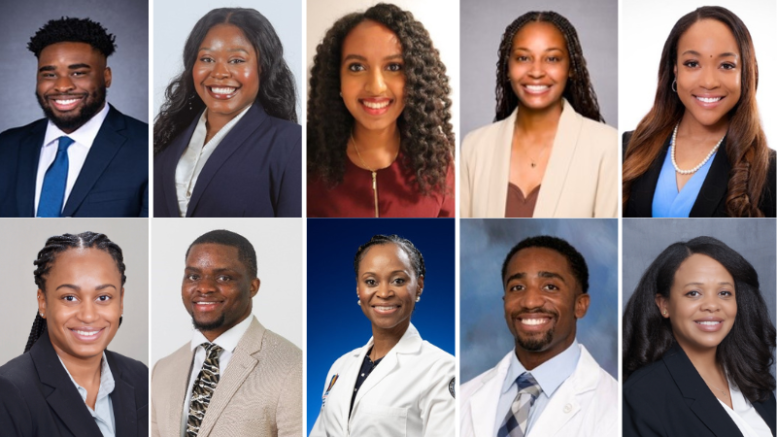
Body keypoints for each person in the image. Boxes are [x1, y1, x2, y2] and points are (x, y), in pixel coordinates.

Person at [622, 6, 776, 217]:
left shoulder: (771, 172)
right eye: (692, 63)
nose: (709, 82)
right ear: (675, 69)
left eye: (727, 65)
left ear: (746, 73)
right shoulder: (627, 148)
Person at [461, 11, 617, 218]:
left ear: (571, 68)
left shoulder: (608, 147)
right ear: (507, 67)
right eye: (523, 58)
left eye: (552, 58)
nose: (536, 71)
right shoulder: (475, 147)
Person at [307, 4, 455, 218]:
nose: (376, 87)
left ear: (415, 78)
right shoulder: (305, 162)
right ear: (336, 79)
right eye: (357, 67)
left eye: (394, 67)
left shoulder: (436, 161)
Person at [461, 236, 617, 437]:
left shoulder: (615, 408)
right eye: (517, 287)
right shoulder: (462, 397)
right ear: (504, 301)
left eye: (550, 287)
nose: (530, 302)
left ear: (580, 305)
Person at [151, 230, 301, 436]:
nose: (204, 287)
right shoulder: (162, 370)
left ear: (253, 287)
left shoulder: (293, 366)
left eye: (224, 277)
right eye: (193, 276)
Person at [154, 8, 301, 217]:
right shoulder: (166, 139)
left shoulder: (292, 143)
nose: (219, 73)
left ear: (263, 67)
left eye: (237, 60)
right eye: (207, 59)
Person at [623, 237, 776, 436]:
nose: (712, 305)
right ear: (664, 305)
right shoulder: (643, 395)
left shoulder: (750, 377)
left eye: (724, 293)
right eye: (694, 293)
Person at [0, 232, 148, 436]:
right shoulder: (9, 392)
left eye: (103, 297)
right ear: (42, 301)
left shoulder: (140, 376)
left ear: (121, 301)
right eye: (69, 297)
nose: (88, 315)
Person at [0, 18, 148, 217]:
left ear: (106, 77)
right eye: (49, 75)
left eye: (78, 73)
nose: (62, 86)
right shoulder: (6, 146)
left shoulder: (149, 147)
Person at [310, 235, 455, 436]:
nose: (384, 293)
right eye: (371, 281)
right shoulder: (340, 367)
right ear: (358, 289)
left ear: (419, 285)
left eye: (398, 280)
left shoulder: (442, 370)